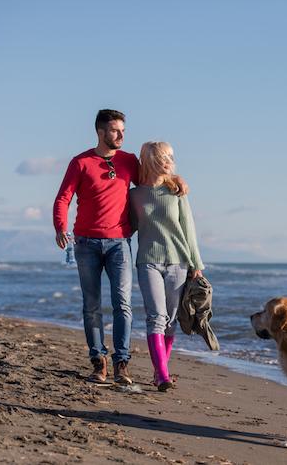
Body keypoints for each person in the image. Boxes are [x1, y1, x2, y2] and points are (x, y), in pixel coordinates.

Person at [53, 110, 186, 384]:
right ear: (101, 132)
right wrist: (59, 227)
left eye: (123, 130)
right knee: (91, 305)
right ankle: (98, 360)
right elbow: (63, 198)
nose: (121, 135)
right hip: (86, 243)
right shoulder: (80, 162)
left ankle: (121, 363)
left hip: (119, 243)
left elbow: (152, 180)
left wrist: (178, 180)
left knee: (122, 304)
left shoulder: (128, 161)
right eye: (115, 131)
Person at [130, 141, 204, 392]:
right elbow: (127, 227)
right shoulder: (134, 194)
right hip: (148, 261)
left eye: (171, 157)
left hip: (178, 262)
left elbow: (189, 229)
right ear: (151, 160)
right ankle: (162, 375)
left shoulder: (176, 192)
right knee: (156, 318)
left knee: (171, 321)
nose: (170, 161)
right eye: (165, 157)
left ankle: (158, 370)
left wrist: (196, 263)